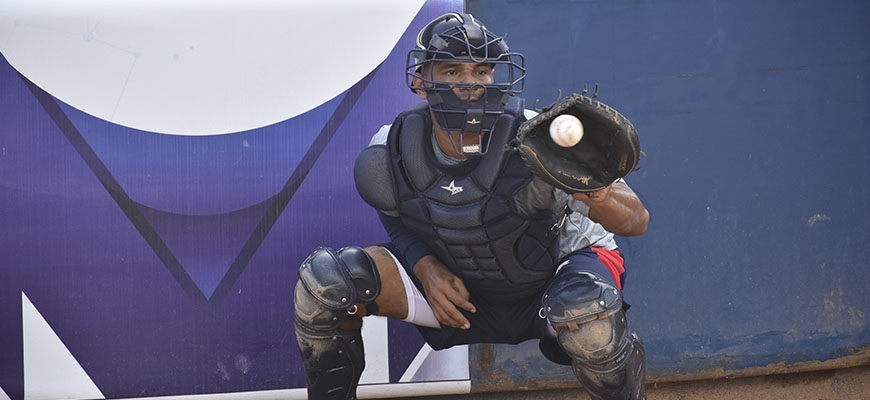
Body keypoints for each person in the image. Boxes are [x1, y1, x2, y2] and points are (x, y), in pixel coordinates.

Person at [293, 12, 650, 400]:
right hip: (460, 287)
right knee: (326, 285)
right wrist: (422, 263)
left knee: (586, 313)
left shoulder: (536, 140)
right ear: (420, 82)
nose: (471, 84)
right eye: (452, 71)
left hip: (553, 280)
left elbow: (636, 221)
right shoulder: (394, 146)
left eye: (481, 71)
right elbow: (392, 209)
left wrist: (598, 193)